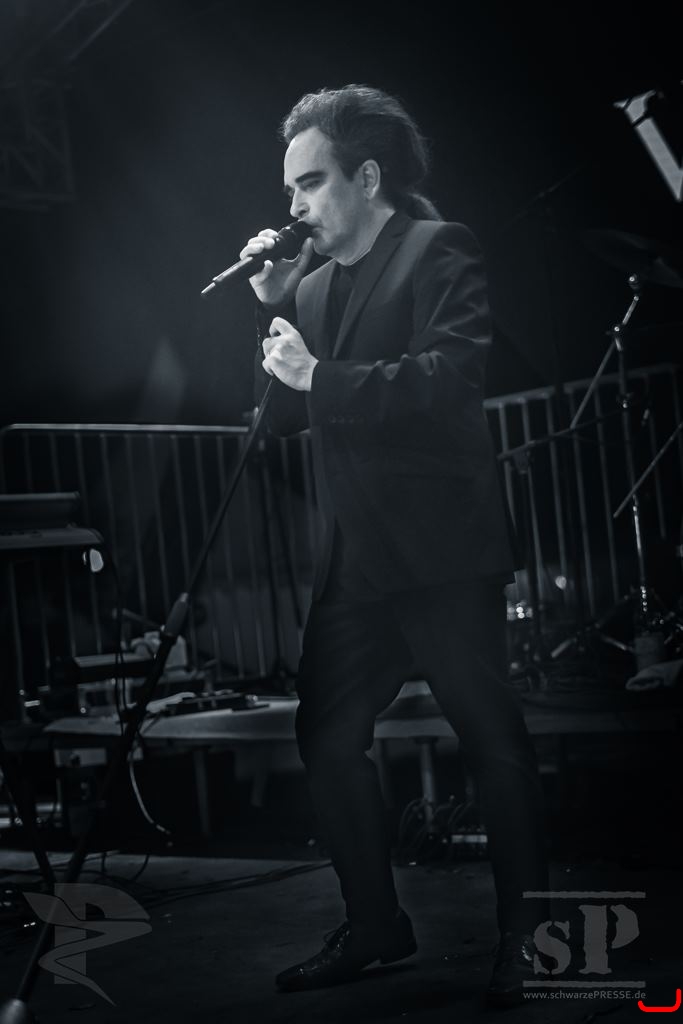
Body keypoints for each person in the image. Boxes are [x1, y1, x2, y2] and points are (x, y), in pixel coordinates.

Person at [240, 84, 548, 1007]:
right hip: (355, 559)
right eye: (290, 189)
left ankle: (529, 936)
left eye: (310, 183)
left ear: (366, 178)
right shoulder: (312, 284)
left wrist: (320, 375)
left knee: (490, 739)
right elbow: (281, 417)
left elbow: (447, 377)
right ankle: (375, 923)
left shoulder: (435, 246)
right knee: (325, 738)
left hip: (439, 549)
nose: (294, 205)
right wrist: (270, 313)